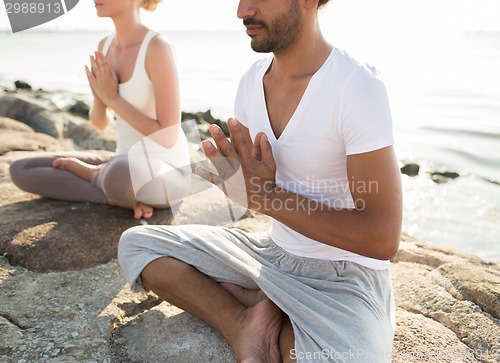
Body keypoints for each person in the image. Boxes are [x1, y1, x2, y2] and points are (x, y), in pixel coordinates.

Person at [118, 0, 402, 361]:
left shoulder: (355, 86)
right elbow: (251, 186)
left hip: (344, 277)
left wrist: (267, 198)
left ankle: (268, 303)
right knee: (138, 245)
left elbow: (382, 238)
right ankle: (242, 323)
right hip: (271, 256)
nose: (242, 11)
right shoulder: (252, 82)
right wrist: (238, 185)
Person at [9, 0, 191, 219]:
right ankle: (115, 198)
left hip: (165, 172)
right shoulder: (105, 46)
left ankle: (97, 176)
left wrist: (112, 98)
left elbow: (168, 136)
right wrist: (100, 98)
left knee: (120, 173)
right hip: (120, 162)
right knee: (21, 169)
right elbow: (100, 122)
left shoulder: (157, 47)